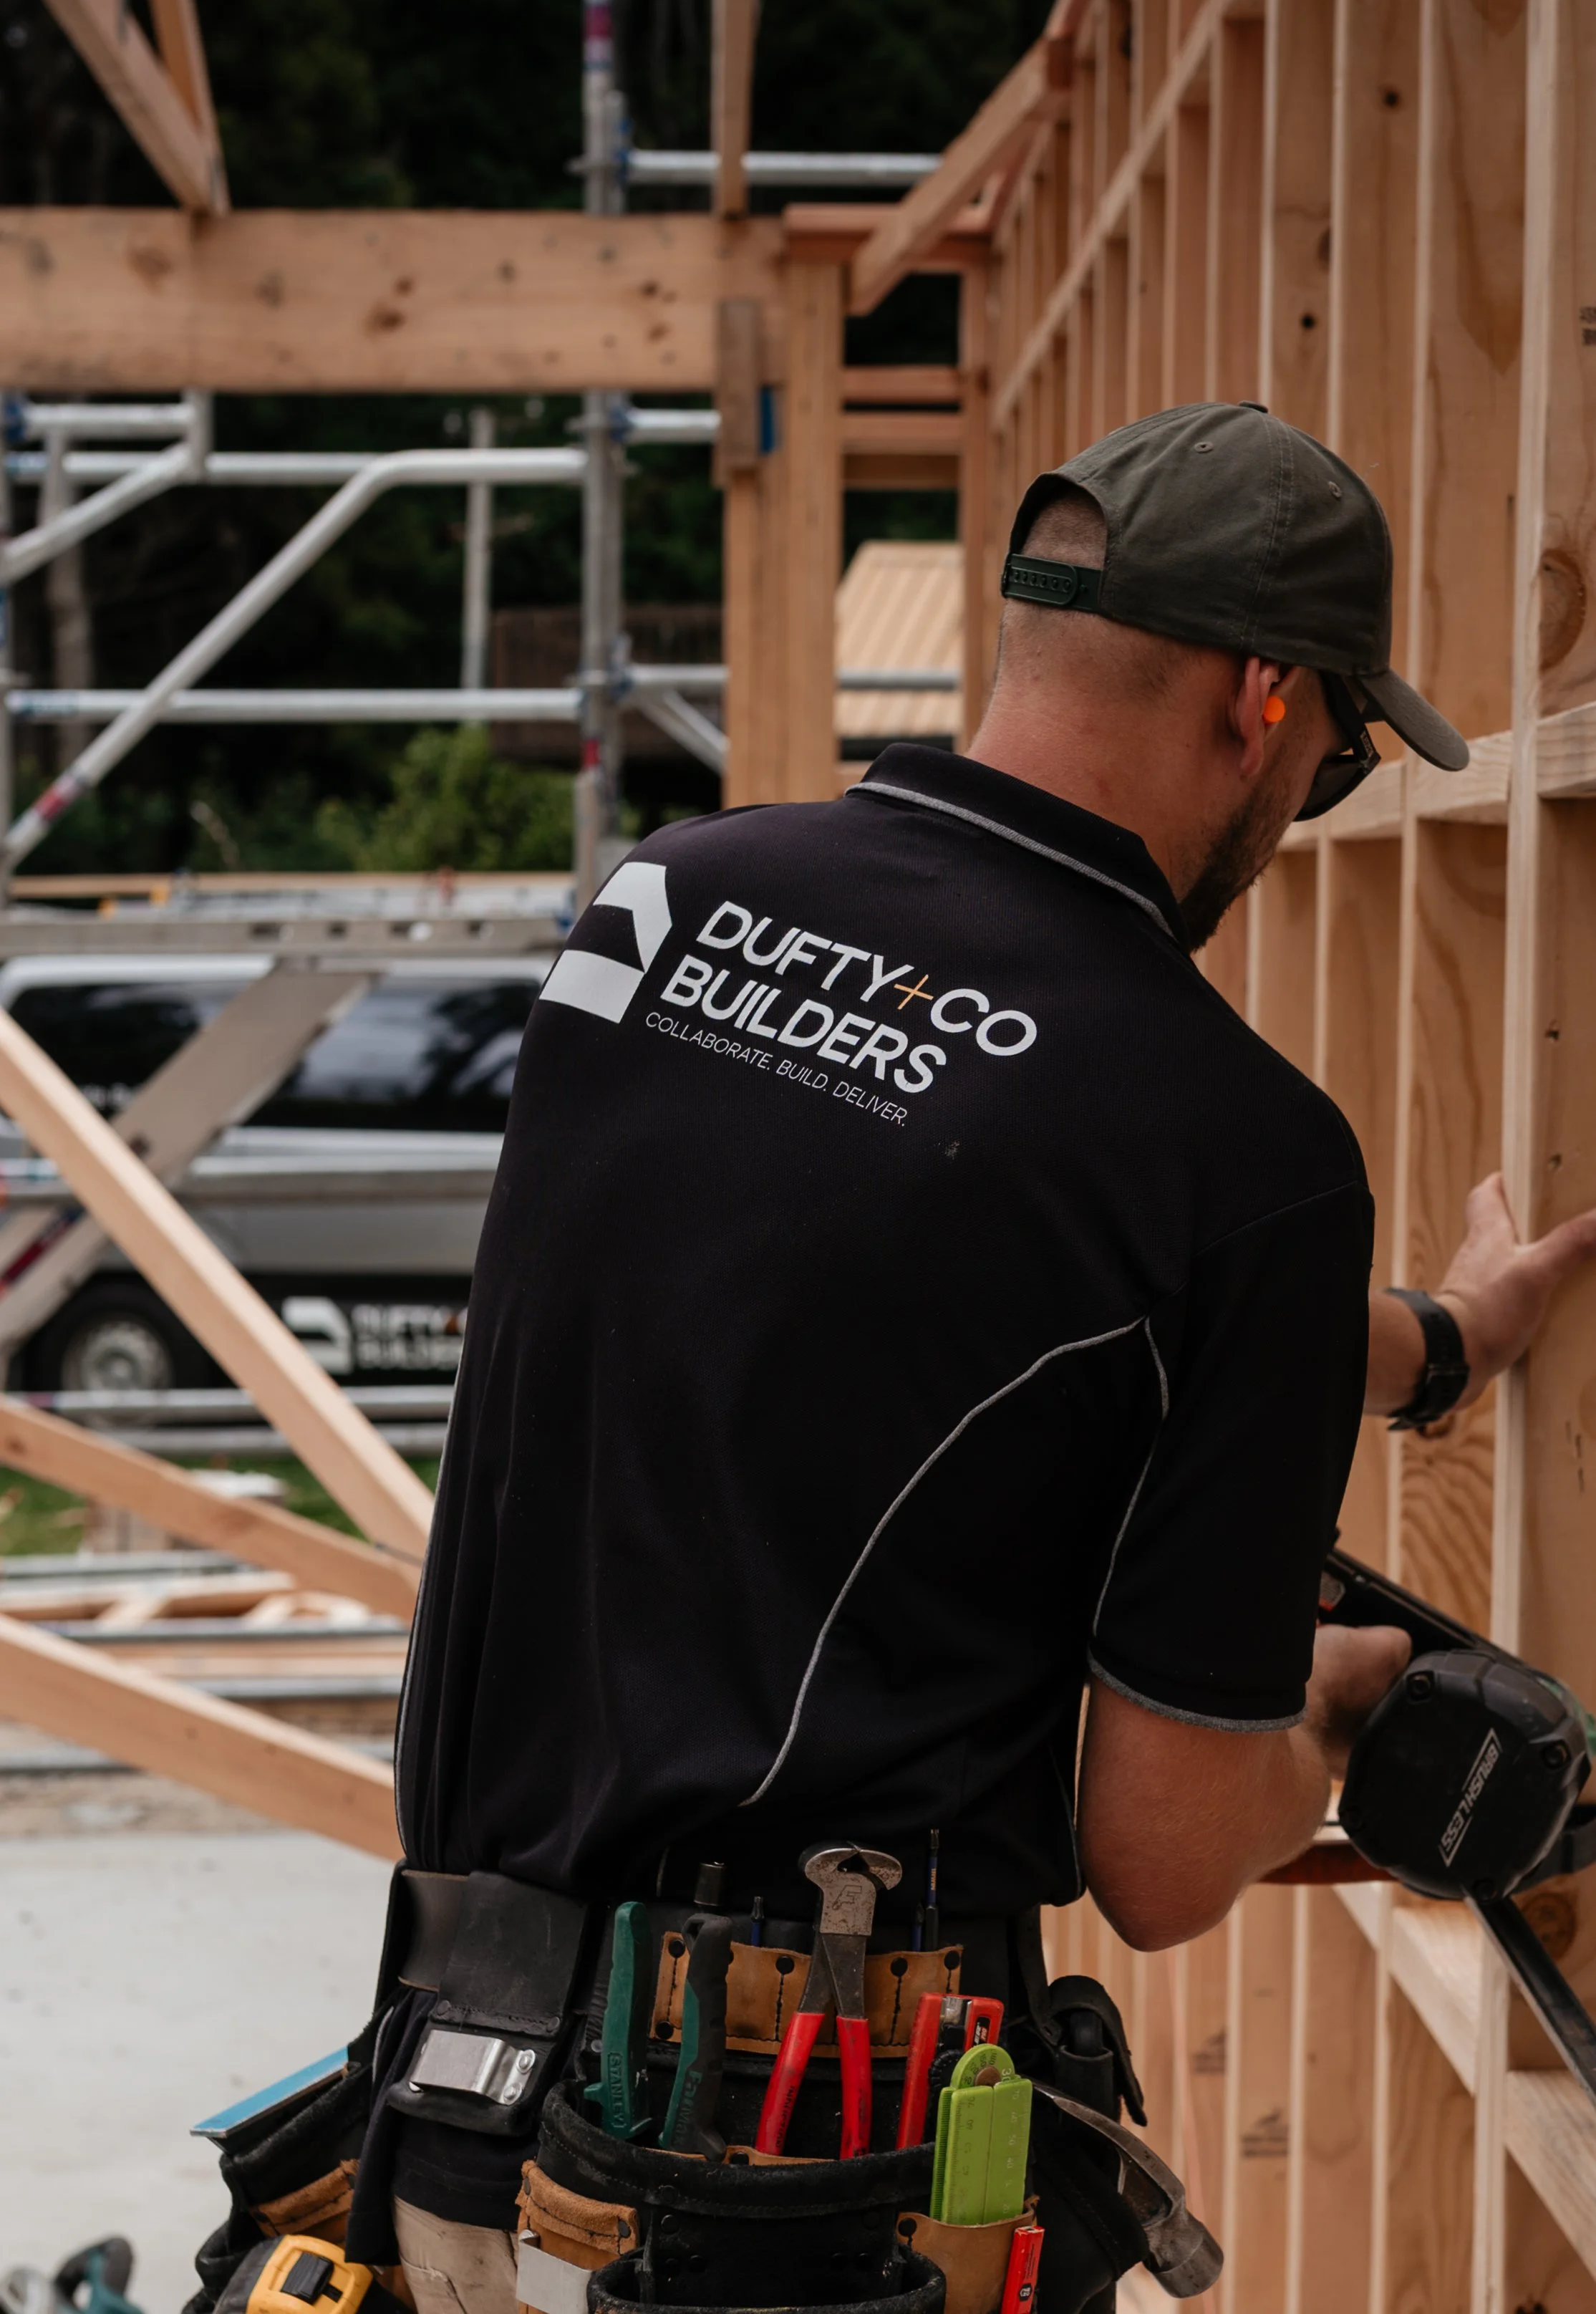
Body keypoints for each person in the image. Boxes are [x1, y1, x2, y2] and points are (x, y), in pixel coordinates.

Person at [354, 403, 1596, 2311]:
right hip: (811, 2193)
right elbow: (1164, 1855)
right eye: (1336, 770)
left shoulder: (664, 906)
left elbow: (911, 1232)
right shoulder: (1232, 1149)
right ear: (1260, 697)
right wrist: (1343, 1708)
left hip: (475, 2106)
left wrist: (1428, 1345)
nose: (1302, 818)